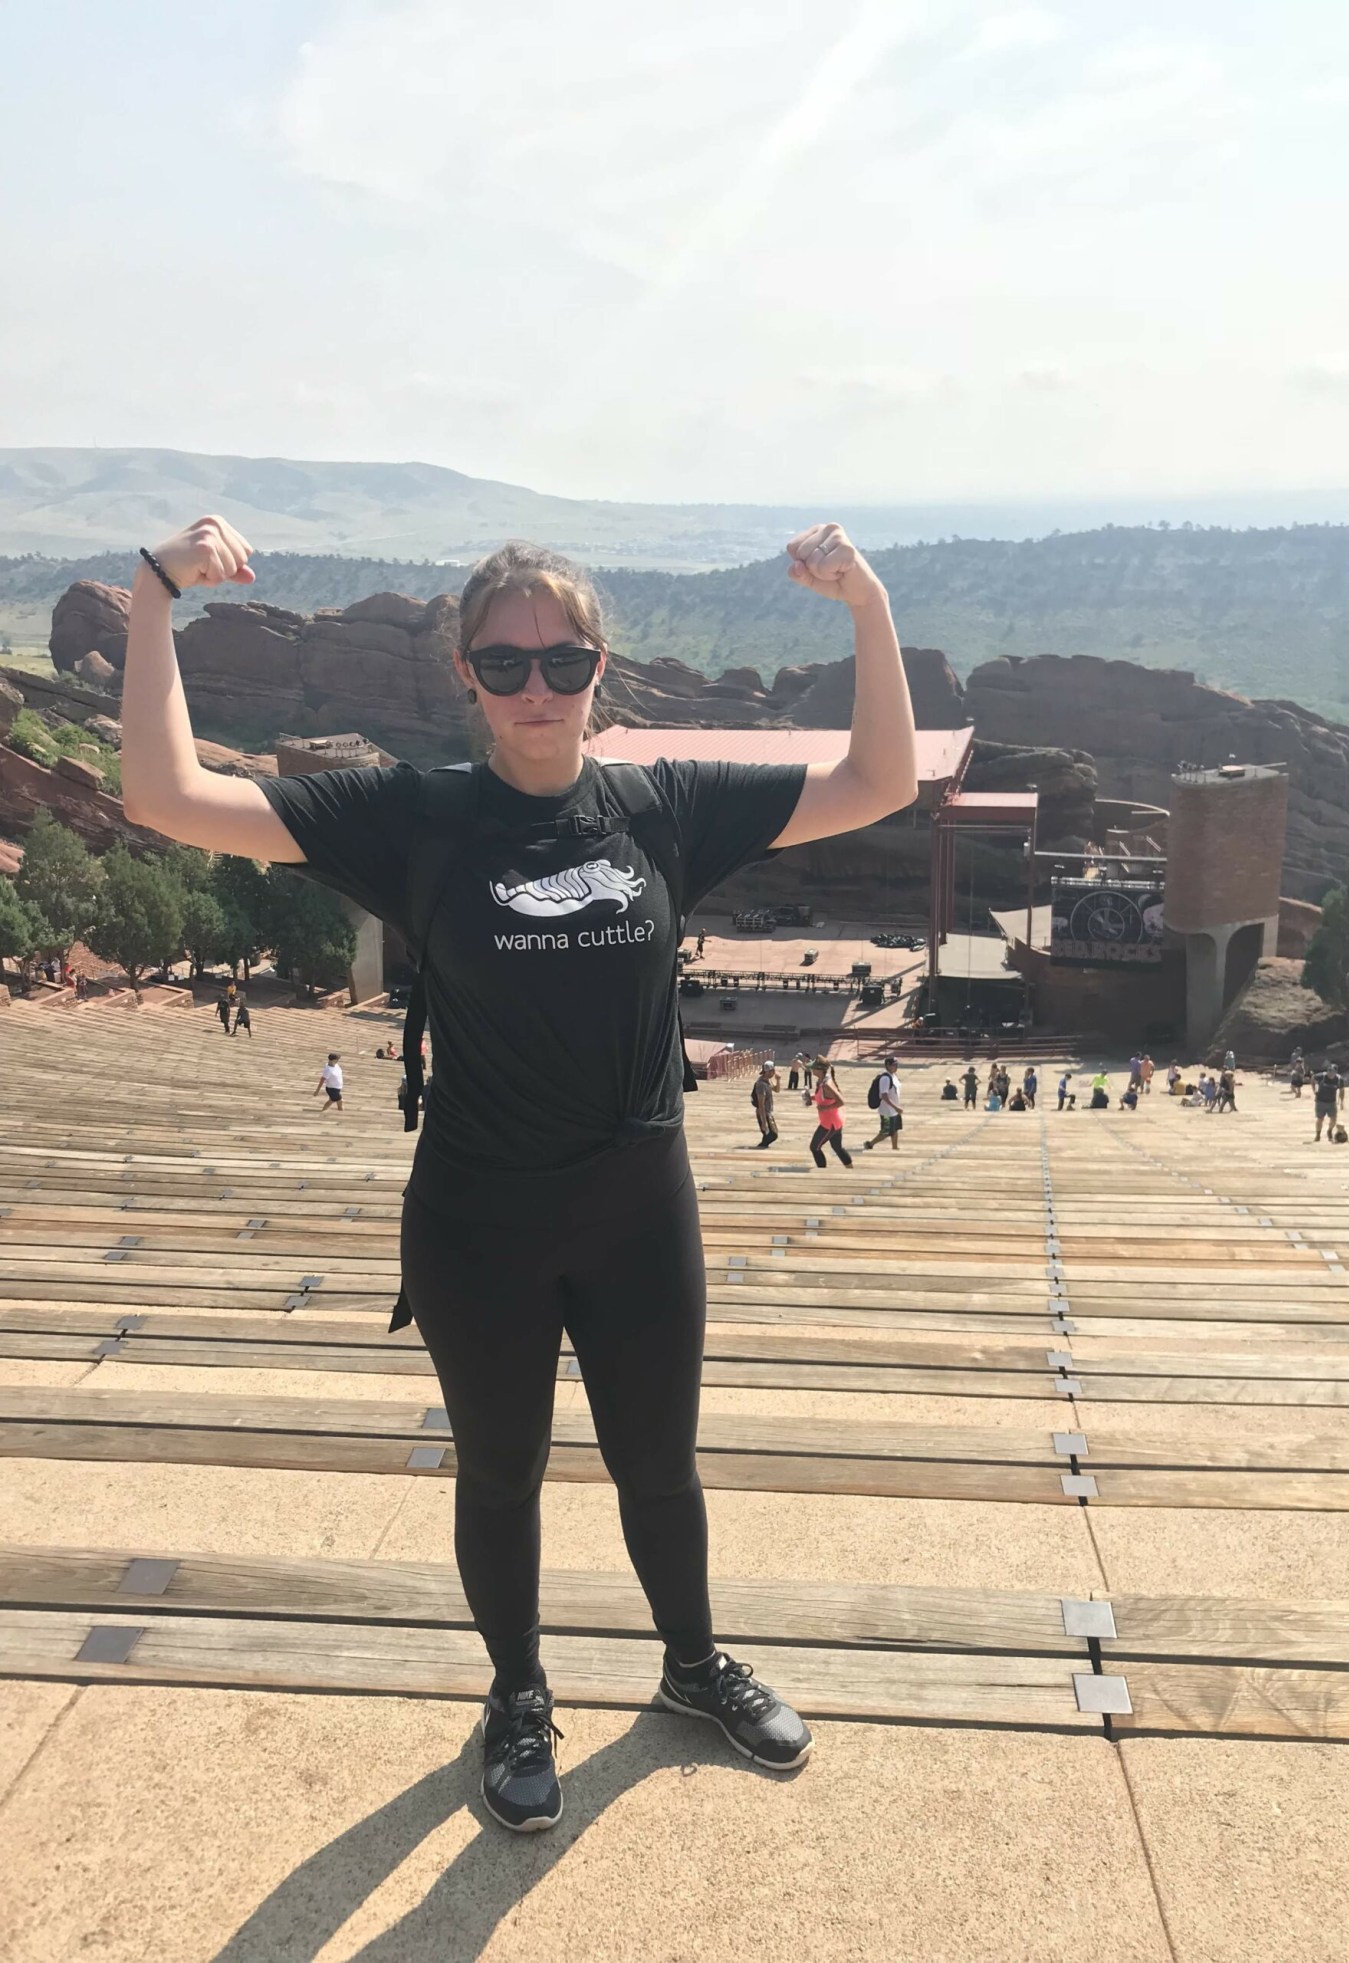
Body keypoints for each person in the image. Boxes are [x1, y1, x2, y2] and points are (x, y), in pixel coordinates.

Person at [118, 510, 917, 1833]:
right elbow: (165, 795)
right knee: (503, 1472)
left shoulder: (664, 804)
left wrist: (867, 604)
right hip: (479, 1216)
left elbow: (877, 778)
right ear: (465, 674)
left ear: (603, 667)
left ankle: (690, 1665)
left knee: (660, 1463)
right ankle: (517, 1693)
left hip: (637, 1205)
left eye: (564, 660)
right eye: (506, 663)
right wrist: (154, 596)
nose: (537, 687)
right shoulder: (414, 818)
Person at [810, 1058, 855, 1169]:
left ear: (820, 1070)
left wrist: (825, 1108)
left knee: (815, 1147)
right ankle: (850, 1169)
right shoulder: (821, 1082)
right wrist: (810, 1098)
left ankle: (822, 1172)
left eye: (813, 1067)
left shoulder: (826, 1084)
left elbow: (841, 1101)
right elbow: (824, 1098)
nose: (811, 1069)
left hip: (829, 1124)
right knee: (837, 1147)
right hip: (834, 1122)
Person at [864, 1056, 902, 1151]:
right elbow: (884, 1095)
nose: (896, 1066)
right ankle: (870, 1144)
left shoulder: (894, 1076)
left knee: (895, 1129)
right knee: (886, 1131)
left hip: (894, 1110)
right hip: (887, 1111)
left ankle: (895, 1147)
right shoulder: (885, 1078)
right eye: (894, 1065)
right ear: (888, 1066)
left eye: (897, 1064)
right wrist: (896, 1107)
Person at [751, 1060, 779, 1148]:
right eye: (773, 1071)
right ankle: (762, 1146)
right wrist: (763, 1122)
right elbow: (761, 1104)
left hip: (768, 1112)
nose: (774, 1072)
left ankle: (763, 1145)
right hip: (763, 1113)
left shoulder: (768, 1080)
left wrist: (778, 1080)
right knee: (772, 1135)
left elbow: (777, 1090)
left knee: (771, 1134)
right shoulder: (761, 1084)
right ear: (768, 1072)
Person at [1313, 1062, 1343, 1142]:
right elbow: (1313, 1078)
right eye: (1329, 1070)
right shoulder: (1321, 1076)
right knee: (1320, 1119)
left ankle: (1329, 1131)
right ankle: (1318, 1135)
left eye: (1332, 1071)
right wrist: (1314, 1090)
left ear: (1336, 1072)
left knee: (1333, 1119)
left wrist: (1341, 1102)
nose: (1330, 1072)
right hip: (1320, 1101)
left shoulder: (1339, 1079)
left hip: (1331, 1102)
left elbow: (1342, 1090)